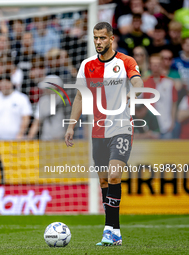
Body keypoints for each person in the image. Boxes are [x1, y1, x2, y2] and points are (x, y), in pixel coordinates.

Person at [64, 22, 144, 246]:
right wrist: (71, 125)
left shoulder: (125, 61)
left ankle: (109, 231)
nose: (98, 42)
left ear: (111, 39)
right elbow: (80, 97)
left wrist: (134, 90)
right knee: (104, 181)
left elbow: (137, 80)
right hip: (98, 131)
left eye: (102, 38)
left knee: (114, 175)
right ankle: (114, 232)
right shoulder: (87, 65)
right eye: (95, 38)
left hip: (121, 128)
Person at [0, 74, 32, 140]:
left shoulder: (21, 98)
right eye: (1, 83)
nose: (4, 86)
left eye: (6, 83)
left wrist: (21, 133)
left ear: (11, 83)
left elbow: (26, 118)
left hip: (16, 139)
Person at [144, 54, 177, 139]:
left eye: (158, 64)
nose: (155, 66)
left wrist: (172, 122)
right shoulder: (144, 83)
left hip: (166, 125)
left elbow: (174, 103)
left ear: (162, 65)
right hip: (149, 128)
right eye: (153, 64)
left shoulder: (169, 83)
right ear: (150, 66)